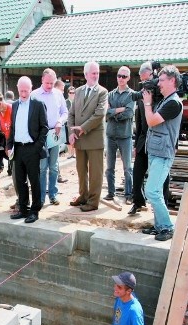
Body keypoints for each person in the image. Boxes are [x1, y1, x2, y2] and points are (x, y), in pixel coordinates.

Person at [141, 65, 183, 242]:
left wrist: (147, 103)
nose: (158, 84)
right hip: (155, 150)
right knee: (154, 190)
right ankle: (159, 226)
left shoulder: (173, 103)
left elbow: (151, 121)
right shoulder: (166, 100)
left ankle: (167, 226)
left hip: (163, 153)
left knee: (151, 191)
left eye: (162, 80)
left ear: (172, 81)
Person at [6, 76, 48, 224]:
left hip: (32, 148)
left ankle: (34, 211)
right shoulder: (15, 105)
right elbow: (12, 127)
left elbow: (44, 127)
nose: (24, 93)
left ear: (30, 89)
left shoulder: (38, 104)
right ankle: (23, 209)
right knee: (20, 181)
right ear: (18, 89)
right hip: (18, 148)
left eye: (26, 90)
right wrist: (9, 145)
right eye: (21, 90)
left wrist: (38, 146)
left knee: (34, 180)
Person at [68, 61, 108, 212]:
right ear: (85, 75)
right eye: (93, 73)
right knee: (81, 170)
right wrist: (72, 132)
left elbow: (100, 114)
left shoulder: (102, 92)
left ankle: (93, 201)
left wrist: (83, 128)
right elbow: (71, 113)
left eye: (97, 73)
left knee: (95, 172)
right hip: (79, 139)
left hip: (94, 138)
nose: (96, 75)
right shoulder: (78, 91)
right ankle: (83, 196)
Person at [32, 68, 68, 207]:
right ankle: (41, 197)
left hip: (54, 133)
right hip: (40, 135)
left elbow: (65, 112)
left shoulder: (58, 94)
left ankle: (53, 194)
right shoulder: (34, 95)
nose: (49, 86)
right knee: (42, 167)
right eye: (47, 83)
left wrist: (60, 121)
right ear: (42, 80)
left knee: (53, 166)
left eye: (52, 83)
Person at [105, 66, 136, 205]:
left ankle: (128, 194)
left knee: (127, 168)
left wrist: (113, 113)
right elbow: (106, 112)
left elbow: (129, 113)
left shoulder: (132, 95)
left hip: (125, 136)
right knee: (109, 167)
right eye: (119, 76)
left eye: (124, 76)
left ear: (128, 78)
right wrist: (119, 110)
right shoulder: (110, 94)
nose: (121, 78)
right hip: (111, 135)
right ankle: (111, 193)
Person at [65, 86, 76, 159]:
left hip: (75, 123)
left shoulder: (77, 102)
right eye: (70, 93)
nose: (72, 94)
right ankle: (69, 153)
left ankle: (73, 153)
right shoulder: (65, 102)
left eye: (73, 93)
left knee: (75, 137)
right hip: (67, 122)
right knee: (67, 138)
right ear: (68, 93)